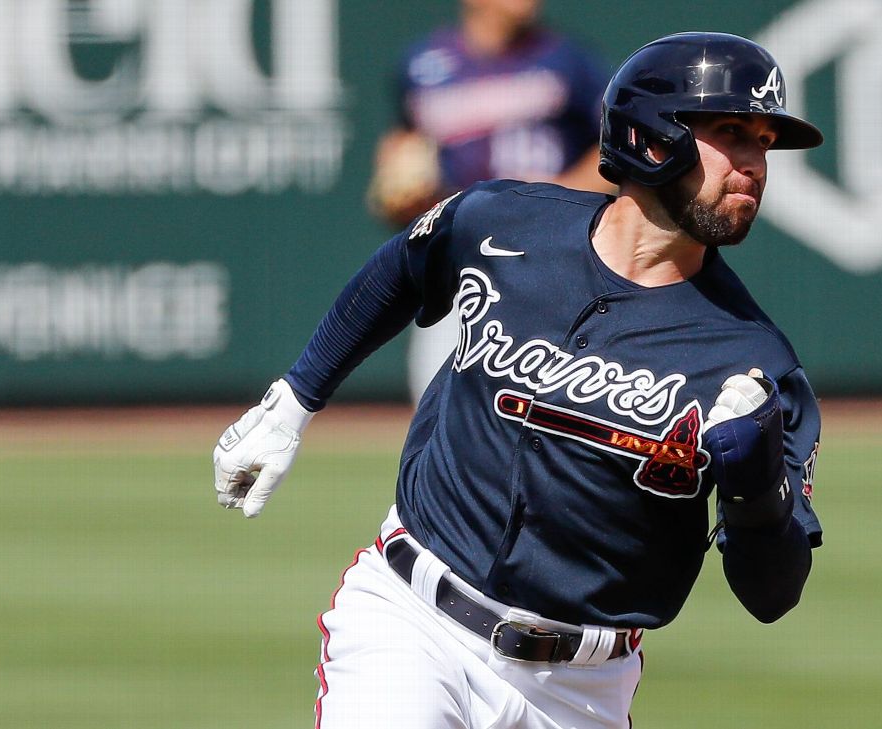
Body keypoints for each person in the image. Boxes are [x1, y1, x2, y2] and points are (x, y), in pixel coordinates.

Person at [213, 32, 826, 729]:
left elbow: (773, 593)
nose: (754, 163)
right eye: (732, 133)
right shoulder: (502, 222)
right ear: (655, 137)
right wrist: (296, 398)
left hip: (579, 692)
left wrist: (756, 493)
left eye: (764, 142)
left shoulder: (755, 363)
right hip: (412, 625)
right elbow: (402, 268)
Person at [365, 0, 612, 403]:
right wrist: (398, 187)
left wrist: (553, 198)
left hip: (551, 260)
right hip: (459, 262)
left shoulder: (570, 60)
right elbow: (402, 147)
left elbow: (616, 150)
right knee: (435, 414)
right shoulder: (423, 63)